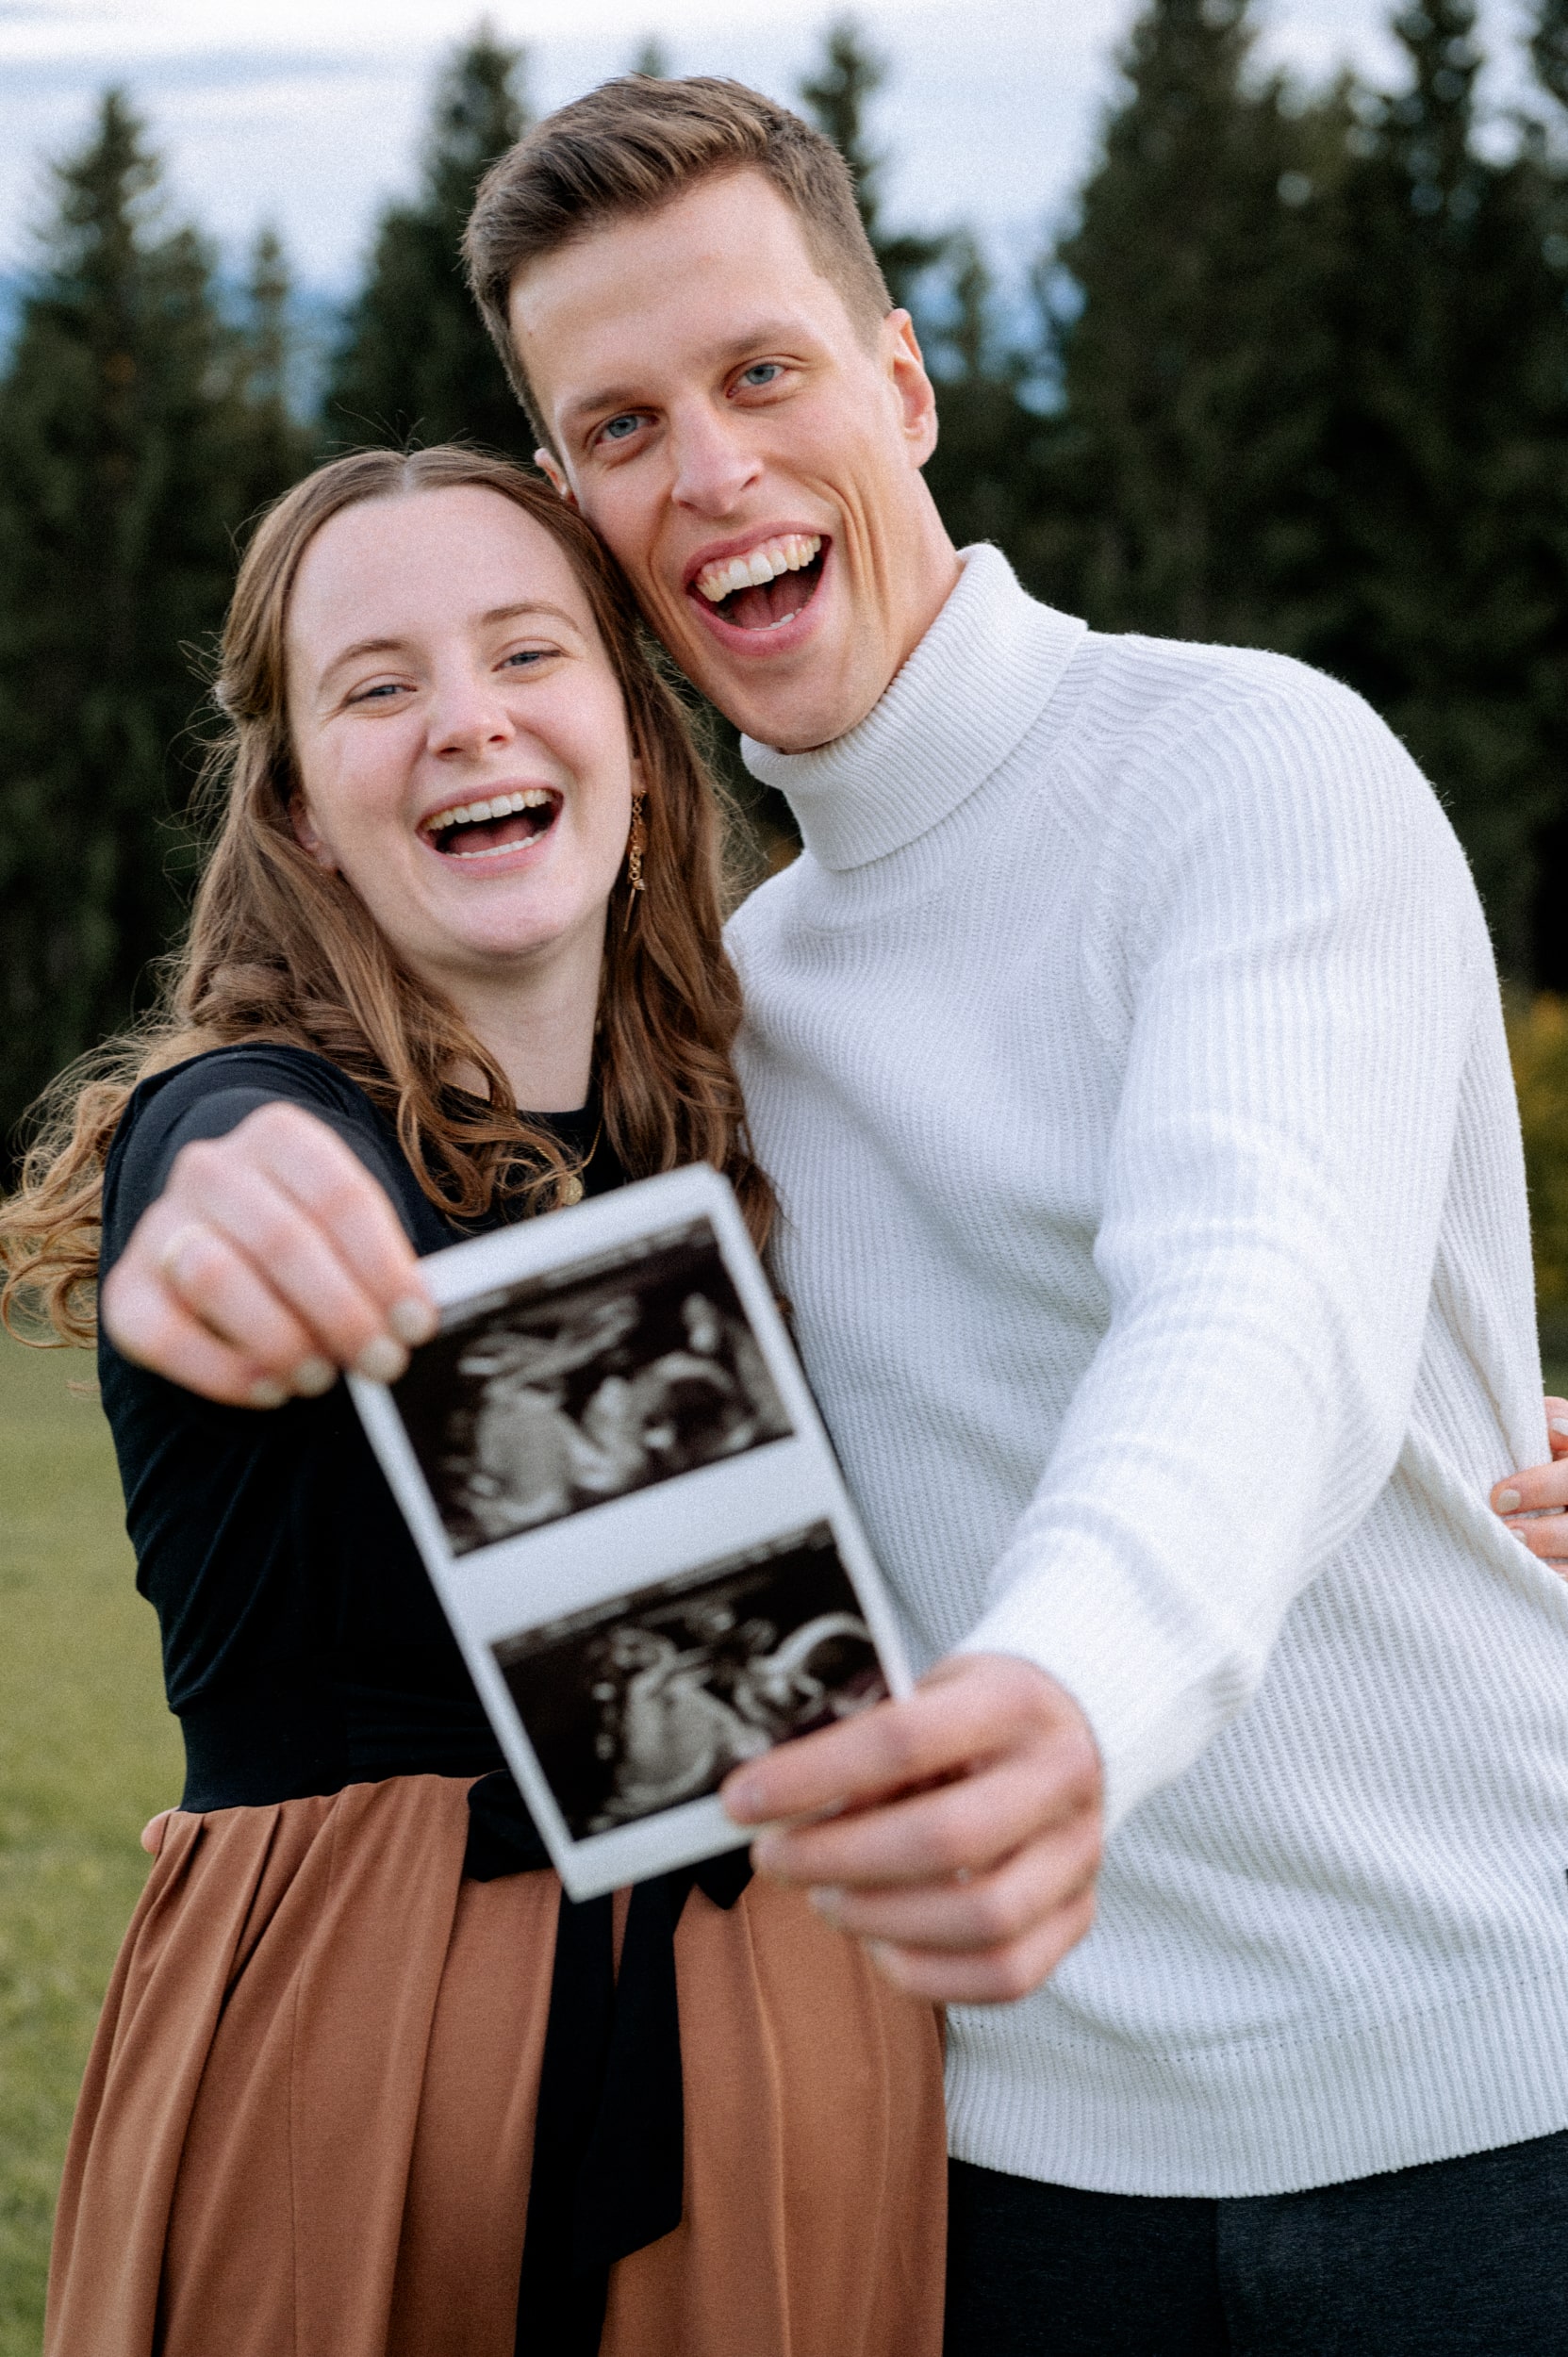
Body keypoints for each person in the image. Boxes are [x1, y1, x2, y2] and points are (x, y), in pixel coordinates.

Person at [90, 74, 1568, 2353]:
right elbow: (657, 1659)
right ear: (588, 513)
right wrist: (206, 1176)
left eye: (762, 372)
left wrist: (1072, 1687)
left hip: (1467, 2134)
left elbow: (1259, 1299)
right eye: (621, 425)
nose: (710, 470)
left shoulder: (1247, 764)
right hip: (1000, 2178)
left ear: (904, 382)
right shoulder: (729, 1031)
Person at [0, 445, 945, 2357]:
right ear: (299, 810)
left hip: (809, 2062)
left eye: (526, 652)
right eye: (378, 684)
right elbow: (237, 1169)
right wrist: (231, 1206)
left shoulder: (754, 1134)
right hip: (388, 2065)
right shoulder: (252, 1114)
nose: (467, 720)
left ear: (634, 740)